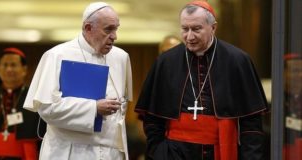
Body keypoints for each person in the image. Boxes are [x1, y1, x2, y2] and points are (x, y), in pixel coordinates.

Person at [135, 1, 268, 160]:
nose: (189, 36)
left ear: (213, 27)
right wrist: (159, 152)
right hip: (174, 153)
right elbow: (152, 119)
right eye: (185, 29)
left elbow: (251, 125)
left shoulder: (237, 61)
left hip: (219, 152)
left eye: (196, 29)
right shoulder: (165, 62)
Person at [23, 2, 132, 160]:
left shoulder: (121, 57)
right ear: (88, 28)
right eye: (108, 29)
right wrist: (93, 108)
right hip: (68, 152)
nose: (114, 36)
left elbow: (122, 111)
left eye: (116, 29)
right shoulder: (57, 55)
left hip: (110, 153)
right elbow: (46, 108)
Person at [0, 47, 42, 160]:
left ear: (24, 69)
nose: (8, 69)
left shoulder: (35, 99)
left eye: (13, 65)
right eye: (5, 65)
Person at [283, 53, 302, 160]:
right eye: (295, 71)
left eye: (301, 70)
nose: (300, 75)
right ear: (283, 73)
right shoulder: (273, 101)